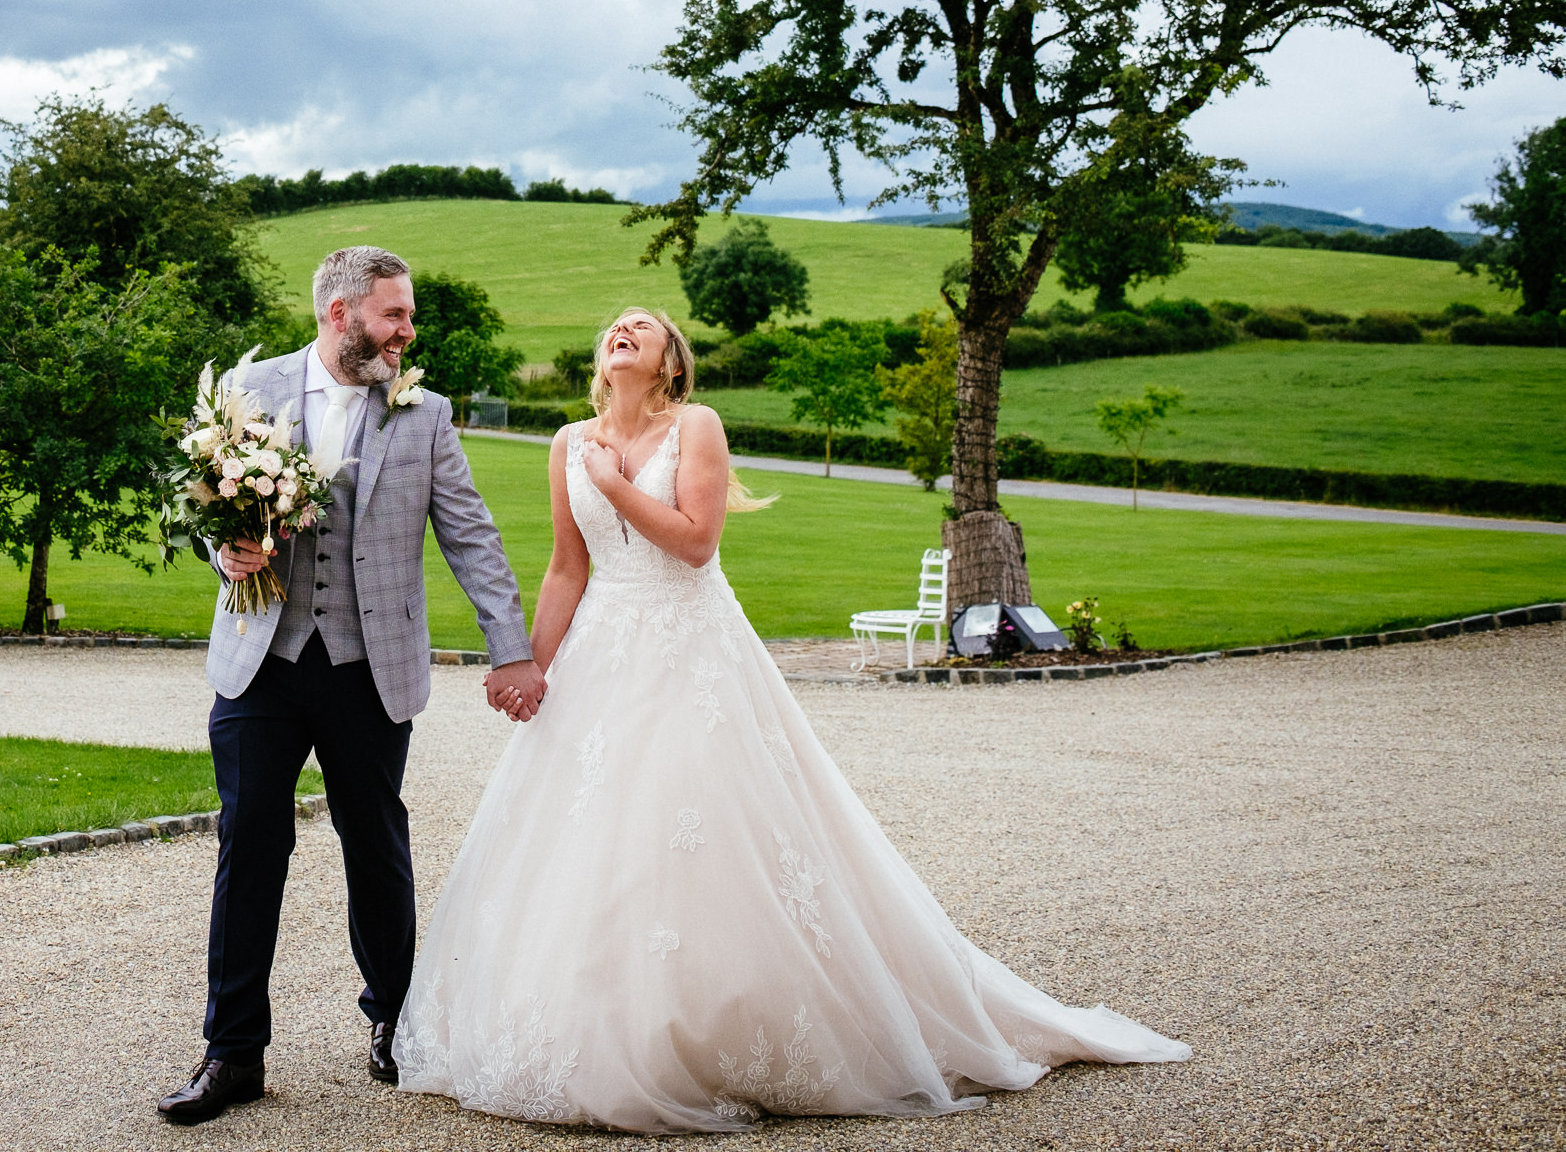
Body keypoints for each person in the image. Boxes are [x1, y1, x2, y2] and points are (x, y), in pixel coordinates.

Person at [395, 306, 1190, 1131]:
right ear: (603, 357)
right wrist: (531, 665)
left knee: (701, 822)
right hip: (603, 648)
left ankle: (724, 1032)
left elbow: (697, 543)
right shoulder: (566, 442)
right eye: (615, 324)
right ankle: (592, 1026)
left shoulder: (694, 424)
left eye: (646, 324)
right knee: (590, 837)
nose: (624, 328)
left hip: (692, 651)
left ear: (671, 361)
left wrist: (615, 483)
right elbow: (567, 567)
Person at [156, 245, 547, 1127]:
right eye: (394, 316)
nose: (408, 332)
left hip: (371, 665)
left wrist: (509, 648)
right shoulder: (247, 391)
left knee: (374, 843)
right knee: (248, 842)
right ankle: (233, 1053)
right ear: (341, 315)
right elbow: (197, 506)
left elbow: (472, 538)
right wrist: (222, 548)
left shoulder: (426, 413)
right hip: (262, 657)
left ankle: (397, 1025)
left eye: (408, 317)